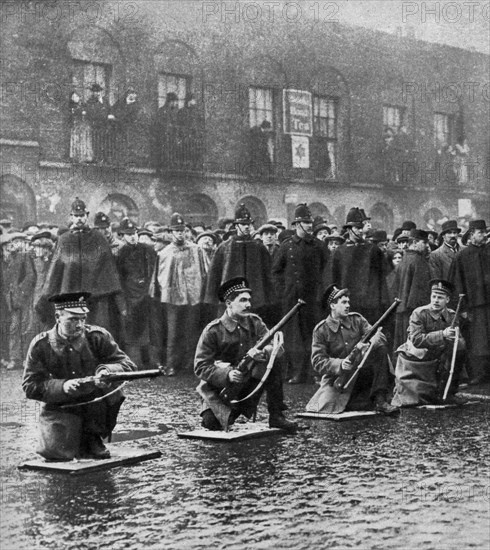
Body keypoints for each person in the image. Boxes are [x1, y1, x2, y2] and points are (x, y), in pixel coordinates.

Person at [22, 292, 136, 461]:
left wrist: (106, 371)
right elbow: (30, 385)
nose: (79, 325)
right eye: (73, 320)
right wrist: (62, 386)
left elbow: (127, 365)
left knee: (95, 452)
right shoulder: (41, 345)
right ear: (57, 317)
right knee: (56, 453)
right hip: (61, 406)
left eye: (83, 319)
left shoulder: (97, 337)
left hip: (95, 405)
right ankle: (70, 437)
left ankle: (92, 437)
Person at [194, 277, 297, 431]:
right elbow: (200, 366)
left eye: (249, 300)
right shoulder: (213, 330)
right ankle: (229, 413)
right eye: (242, 300)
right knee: (212, 424)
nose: (248, 305)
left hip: (249, 384)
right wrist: (227, 374)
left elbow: (275, 347)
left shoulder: (255, 322)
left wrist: (264, 352)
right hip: (221, 390)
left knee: (274, 359)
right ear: (229, 303)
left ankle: (276, 415)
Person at [38, 198, 125, 344]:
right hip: (71, 299)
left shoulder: (99, 238)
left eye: (82, 215)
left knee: (97, 335)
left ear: (87, 215)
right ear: (71, 217)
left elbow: (109, 270)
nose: (79, 219)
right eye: (76, 216)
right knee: (72, 335)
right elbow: (55, 270)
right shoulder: (64, 240)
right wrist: (46, 295)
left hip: (96, 299)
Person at [311, 284, 399, 414]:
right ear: (332, 306)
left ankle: (380, 400)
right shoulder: (321, 330)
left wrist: (369, 346)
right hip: (339, 379)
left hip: (362, 373)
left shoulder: (357, 320)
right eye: (344, 302)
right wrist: (339, 364)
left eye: (348, 302)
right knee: (329, 406)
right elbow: (317, 361)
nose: (348, 305)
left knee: (380, 349)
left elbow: (379, 336)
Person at [272, 204, 326, 383]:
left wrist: (321, 293)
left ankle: (314, 371)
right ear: (296, 224)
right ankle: (297, 372)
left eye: (310, 222)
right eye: (305, 222)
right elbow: (276, 272)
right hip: (292, 299)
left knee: (314, 334)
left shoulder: (319, 246)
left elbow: (327, 270)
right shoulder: (286, 246)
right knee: (294, 336)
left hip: (313, 298)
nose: (309, 225)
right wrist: (283, 292)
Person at [392, 280, 466, 406]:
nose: (436, 300)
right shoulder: (419, 313)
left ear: (447, 300)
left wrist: (455, 339)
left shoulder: (452, 315)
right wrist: (443, 334)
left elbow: (456, 340)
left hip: (438, 355)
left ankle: (449, 392)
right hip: (417, 358)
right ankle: (434, 392)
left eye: (440, 298)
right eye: (434, 296)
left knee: (460, 346)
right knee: (414, 399)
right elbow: (416, 340)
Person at [151, 213, 206, 375]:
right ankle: (171, 365)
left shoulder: (197, 250)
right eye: (176, 231)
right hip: (173, 299)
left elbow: (205, 273)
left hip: (192, 298)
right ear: (171, 232)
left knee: (192, 330)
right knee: (173, 332)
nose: (180, 234)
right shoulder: (165, 253)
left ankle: (191, 364)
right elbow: (159, 278)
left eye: (182, 230)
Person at [330, 207, 389, 324]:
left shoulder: (373, 250)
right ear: (349, 229)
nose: (361, 231)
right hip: (347, 304)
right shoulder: (339, 252)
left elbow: (383, 278)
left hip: (370, 305)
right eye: (357, 228)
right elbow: (333, 280)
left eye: (362, 228)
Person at [449, 220, 490, 385]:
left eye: (485, 232)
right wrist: (463, 308)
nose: (485, 235)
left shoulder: (488, 252)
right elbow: (457, 283)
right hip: (474, 306)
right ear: (471, 234)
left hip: (488, 303)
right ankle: (479, 373)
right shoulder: (462, 256)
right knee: (478, 340)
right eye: (481, 233)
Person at [116, 218, 158, 369]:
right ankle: (133, 363)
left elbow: (153, 270)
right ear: (122, 236)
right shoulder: (121, 254)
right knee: (131, 330)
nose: (132, 237)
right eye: (128, 234)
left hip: (146, 294)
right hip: (130, 296)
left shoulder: (147, 250)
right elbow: (119, 278)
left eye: (134, 233)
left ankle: (149, 362)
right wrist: (123, 302)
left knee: (148, 328)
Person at [393, 229, 431, 350]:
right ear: (414, 242)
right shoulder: (418, 261)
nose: (427, 246)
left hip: (401, 312)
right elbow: (421, 294)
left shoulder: (404, 260)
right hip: (414, 314)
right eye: (424, 242)